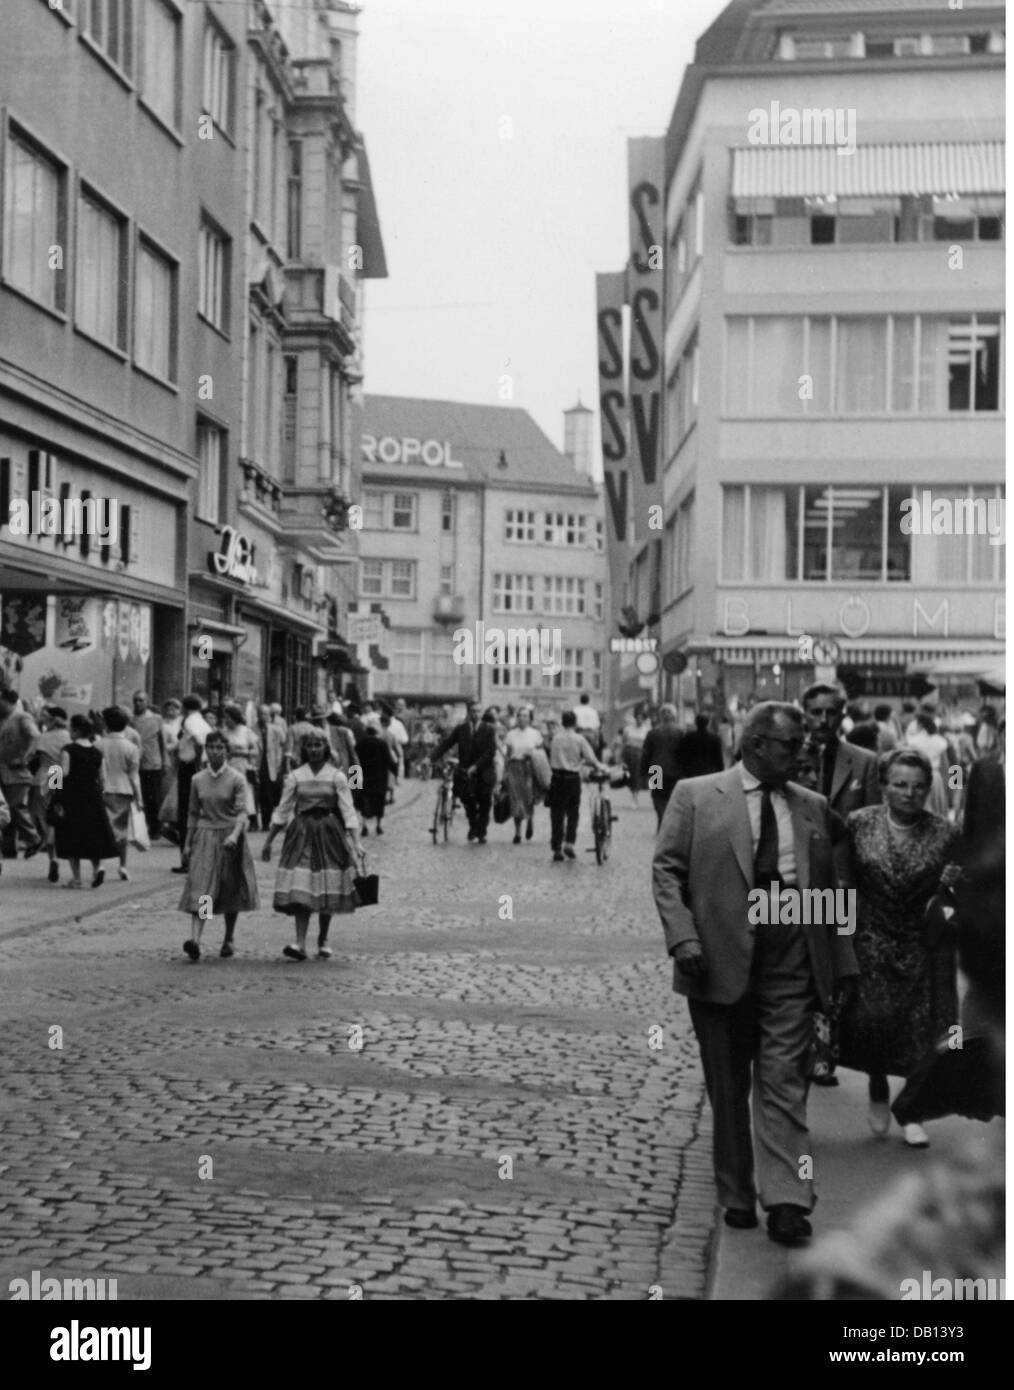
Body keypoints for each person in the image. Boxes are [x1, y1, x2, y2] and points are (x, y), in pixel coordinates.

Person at [652, 701, 857, 1246]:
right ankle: (737, 1193)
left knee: (784, 1082)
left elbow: (831, 889)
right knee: (728, 1087)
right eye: (792, 745)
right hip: (716, 959)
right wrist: (682, 936)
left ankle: (788, 1201)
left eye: (803, 745)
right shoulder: (696, 796)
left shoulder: (812, 806)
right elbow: (667, 870)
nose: (802, 754)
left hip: (791, 958)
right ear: (755, 744)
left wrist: (843, 962)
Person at [836, 749, 960, 1149]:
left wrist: (951, 884)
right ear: (884, 786)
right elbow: (844, 879)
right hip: (871, 936)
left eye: (919, 786)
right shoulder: (859, 823)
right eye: (900, 784)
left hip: (921, 941)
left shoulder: (945, 833)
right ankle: (877, 1086)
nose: (909, 793)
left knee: (923, 1028)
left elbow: (959, 893)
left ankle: (912, 1110)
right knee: (872, 1022)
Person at [261, 729, 364, 961]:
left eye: (318, 745)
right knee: (301, 884)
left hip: (328, 832)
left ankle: (323, 939)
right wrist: (269, 841)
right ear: (304, 749)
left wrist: (356, 842)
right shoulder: (296, 776)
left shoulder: (337, 776)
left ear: (326, 748)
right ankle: (299, 943)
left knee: (327, 883)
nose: (314, 749)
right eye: (310, 745)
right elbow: (283, 810)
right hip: (301, 833)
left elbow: (348, 810)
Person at [179, 729, 259, 961]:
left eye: (219, 747)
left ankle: (228, 937)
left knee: (229, 888)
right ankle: (196, 940)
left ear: (227, 751)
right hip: (205, 836)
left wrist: (234, 835)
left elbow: (242, 812)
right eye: (211, 747)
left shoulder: (236, 779)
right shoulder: (197, 779)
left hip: (229, 837)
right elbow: (193, 813)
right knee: (203, 888)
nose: (215, 752)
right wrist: (187, 843)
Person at [51, 713, 119, 888]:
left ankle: (76, 878)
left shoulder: (68, 749)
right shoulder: (97, 752)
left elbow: (64, 772)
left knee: (71, 835)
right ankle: (98, 868)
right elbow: (102, 778)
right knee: (92, 835)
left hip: (72, 796)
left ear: (76, 730)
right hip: (92, 797)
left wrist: (52, 779)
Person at [801, 682, 880, 821]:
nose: (824, 720)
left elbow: (873, 819)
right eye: (816, 712)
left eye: (831, 713)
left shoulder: (865, 761)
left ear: (842, 716)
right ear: (805, 715)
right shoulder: (791, 757)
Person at [547, 709, 606, 862]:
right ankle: (569, 842)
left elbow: (551, 756)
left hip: (557, 778)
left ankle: (556, 847)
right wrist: (599, 766)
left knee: (557, 814)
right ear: (575, 723)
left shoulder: (556, 738)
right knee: (573, 812)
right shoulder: (579, 739)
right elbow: (591, 757)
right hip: (572, 778)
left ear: (562, 722)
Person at [435, 700, 496, 844]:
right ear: (469, 712)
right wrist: (430, 758)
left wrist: (476, 766)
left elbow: (490, 752)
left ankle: (482, 831)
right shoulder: (461, 729)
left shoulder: (489, 729)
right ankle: (473, 825)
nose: (475, 714)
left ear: (482, 712)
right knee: (468, 801)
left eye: (478, 711)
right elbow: (446, 744)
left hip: (484, 773)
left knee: (485, 803)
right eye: (473, 711)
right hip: (466, 773)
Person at [97, 707, 143, 882]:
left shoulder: (98, 745)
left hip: (103, 789)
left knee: (102, 828)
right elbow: (134, 776)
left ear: (106, 724)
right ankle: (122, 865)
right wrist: (139, 798)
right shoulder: (131, 747)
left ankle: (100, 864)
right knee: (121, 830)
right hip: (124, 789)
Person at [28, 706, 71, 883]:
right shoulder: (68, 736)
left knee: (41, 816)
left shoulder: (42, 737)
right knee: (55, 815)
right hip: (58, 774)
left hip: (43, 775)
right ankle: (55, 853)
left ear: (52, 720)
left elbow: (28, 756)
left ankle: (52, 856)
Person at [0, 688, 42, 858]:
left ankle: (34, 838)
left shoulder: (22, 717)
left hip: (19, 772)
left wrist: (25, 758)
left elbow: (35, 736)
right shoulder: (3, 720)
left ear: (8, 701)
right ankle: (9, 847)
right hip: (5, 772)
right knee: (6, 809)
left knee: (16, 806)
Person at [172, 696, 212, 873]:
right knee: (196, 811)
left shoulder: (189, 721)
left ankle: (186, 859)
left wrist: (196, 762)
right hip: (199, 767)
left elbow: (198, 742)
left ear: (185, 708)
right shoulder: (203, 722)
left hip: (189, 767)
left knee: (185, 813)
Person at [503, 705, 543, 845]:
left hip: (529, 767)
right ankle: (518, 832)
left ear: (530, 719)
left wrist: (533, 757)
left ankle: (530, 820)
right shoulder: (511, 734)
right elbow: (508, 754)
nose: (522, 718)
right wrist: (505, 771)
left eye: (525, 716)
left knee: (528, 797)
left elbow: (540, 753)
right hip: (515, 767)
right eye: (520, 715)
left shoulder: (535, 734)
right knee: (515, 798)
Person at [639, 704, 684, 829]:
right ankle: (669, 821)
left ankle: (661, 818)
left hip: (656, 769)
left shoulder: (653, 732)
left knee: (657, 796)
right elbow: (685, 752)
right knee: (672, 796)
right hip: (675, 770)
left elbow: (646, 753)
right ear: (674, 716)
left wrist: (643, 771)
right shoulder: (680, 732)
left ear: (661, 716)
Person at [130, 691, 165, 840]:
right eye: (136, 700)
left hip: (153, 762)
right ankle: (142, 827)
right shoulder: (130, 719)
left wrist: (164, 761)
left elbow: (162, 741)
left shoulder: (156, 719)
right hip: (136, 763)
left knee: (153, 797)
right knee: (140, 796)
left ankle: (155, 828)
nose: (138, 703)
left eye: (141, 700)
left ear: (147, 702)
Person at [221, 703, 260, 831]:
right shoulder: (223, 732)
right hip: (228, 764)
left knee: (245, 791)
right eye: (224, 717)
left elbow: (256, 751)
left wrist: (242, 753)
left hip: (242, 765)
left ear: (235, 718)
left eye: (228, 717)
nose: (226, 720)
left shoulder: (246, 731)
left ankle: (251, 819)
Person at [354, 722, 398, 836]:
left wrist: (354, 783)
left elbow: (354, 762)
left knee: (364, 803)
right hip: (380, 779)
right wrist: (395, 773)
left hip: (364, 779)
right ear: (376, 732)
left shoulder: (359, 744)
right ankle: (378, 825)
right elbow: (390, 761)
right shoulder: (382, 744)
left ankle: (364, 826)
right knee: (379, 803)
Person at [255, 703, 287, 831]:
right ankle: (258, 822)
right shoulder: (252, 729)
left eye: (266, 714)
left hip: (272, 765)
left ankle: (268, 821)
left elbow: (284, 744)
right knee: (259, 795)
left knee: (270, 795)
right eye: (261, 714)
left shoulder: (276, 729)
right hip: (257, 766)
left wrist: (281, 762)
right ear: (257, 715)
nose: (264, 716)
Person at [620, 706, 651, 807]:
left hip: (640, 754)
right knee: (629, 775)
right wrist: (621, 757)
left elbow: (648, 744)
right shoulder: (628, 729)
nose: (639, 720)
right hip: (629, 753)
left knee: (637, 776)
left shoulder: (646, 730)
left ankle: (635, 797)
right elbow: (624, 743)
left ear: (644, 719)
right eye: (637, 717)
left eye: (641, 718)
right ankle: (632, 793)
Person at [677, 713, 725, 779]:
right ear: (708, 723)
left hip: (692, 771)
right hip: (709, 772)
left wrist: (683, 769)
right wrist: (721, 772)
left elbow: (681, 754)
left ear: (696, 723)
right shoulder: (714, 738)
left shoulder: (688, 737)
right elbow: (718, 758)